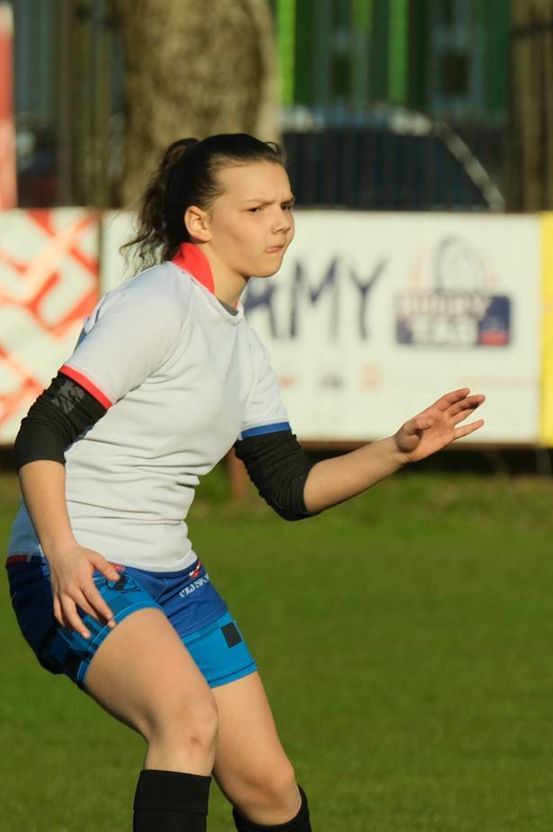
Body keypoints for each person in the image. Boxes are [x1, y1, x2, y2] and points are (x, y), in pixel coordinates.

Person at [6, 133, 484, 832]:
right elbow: (42, 431)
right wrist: (65, 553)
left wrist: (397, 449)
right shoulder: (156, 307)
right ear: (199, 222)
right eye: (257, 208)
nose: (281, 222)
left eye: (286, 204)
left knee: (268, 786)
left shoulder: (241, 343)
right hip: (74, 564)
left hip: (172, 575)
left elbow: (290, 489)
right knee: (188, 721)